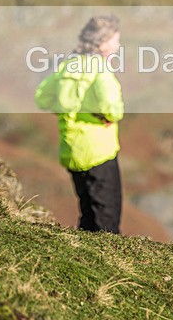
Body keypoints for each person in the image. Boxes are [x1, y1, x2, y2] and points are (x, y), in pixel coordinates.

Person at [34, 15, 125, 234]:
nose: (119, 46)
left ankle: (83, 258)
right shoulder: (100, 70)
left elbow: (42, 97)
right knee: (107, 218)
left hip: (72, 152)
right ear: (102, 44)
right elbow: (114, 110)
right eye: (116, 40)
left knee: (87, 212)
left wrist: (68, 109)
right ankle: (109, 264)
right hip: (98, 153)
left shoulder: (68, 66)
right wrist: (100, 115)